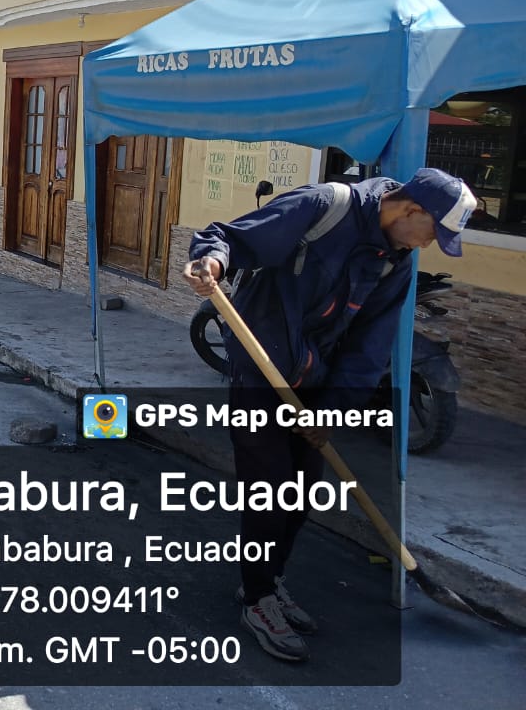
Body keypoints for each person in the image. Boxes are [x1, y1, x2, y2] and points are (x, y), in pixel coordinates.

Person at [181, 167, 476, 663]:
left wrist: (332, 413)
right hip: (260, 369)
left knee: (302, 493)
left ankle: (267, 580)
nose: (429, 245)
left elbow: (369, 348)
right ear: (411, 209)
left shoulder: (396, 262)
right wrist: (210, 260)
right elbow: (233, 238)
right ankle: (258, 599)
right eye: (432, 233)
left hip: (313, 381)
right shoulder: (326, 206)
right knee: (268, 492)